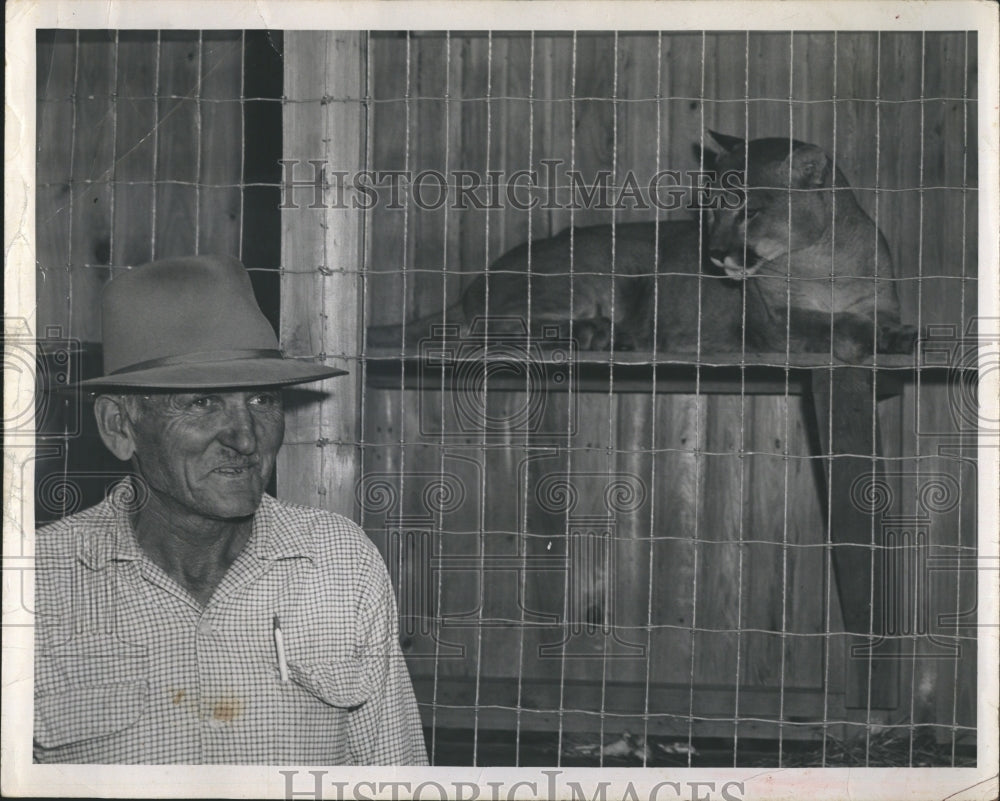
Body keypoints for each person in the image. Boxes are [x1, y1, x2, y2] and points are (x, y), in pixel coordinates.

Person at [33, 255, 429, 765]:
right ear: (120, 427)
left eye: (262, 400)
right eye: (202, 403)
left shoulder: (339, 562)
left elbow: (394, 776)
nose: (245, 438)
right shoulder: (36, 581)